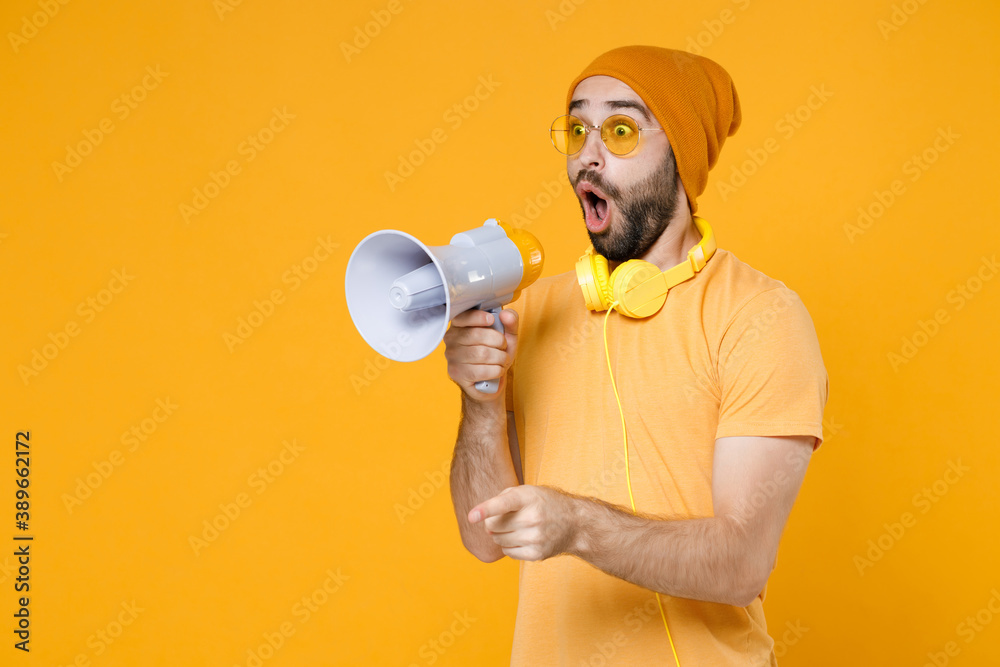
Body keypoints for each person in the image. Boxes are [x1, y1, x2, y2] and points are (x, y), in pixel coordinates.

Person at [445, 45, 829, 666]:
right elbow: (483, 537)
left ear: (681, 152)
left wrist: (578, 524)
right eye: (576, 131)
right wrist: (481, 400)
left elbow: (742, 563)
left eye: (620, 130)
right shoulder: (533, 313)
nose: (587, 157)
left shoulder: (759, 317)